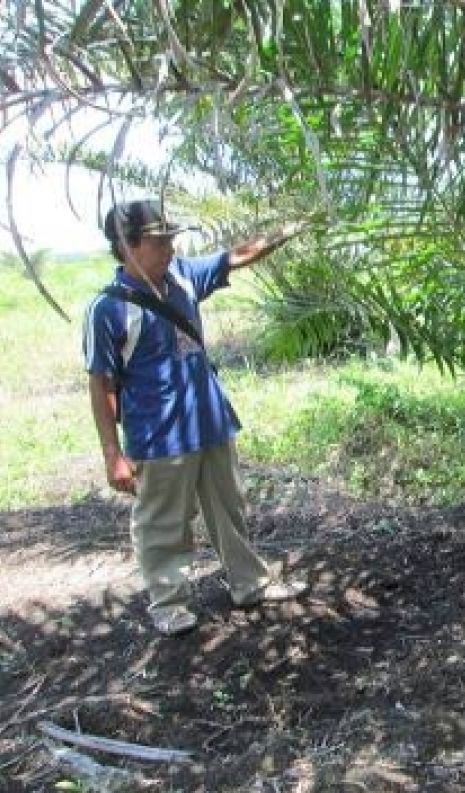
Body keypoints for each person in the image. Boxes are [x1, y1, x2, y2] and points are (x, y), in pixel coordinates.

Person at [84, 199, 309, 636]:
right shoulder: (108, 309)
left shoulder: (183, 278)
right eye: (158, 241)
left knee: (230, 509)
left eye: (171, 239)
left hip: (209, 421)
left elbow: (236, 256)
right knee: (163, 520)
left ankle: (251, 583)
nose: (170, 248)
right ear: (127, 247)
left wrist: (291, 225)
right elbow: (102, 384)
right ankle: (168, 603)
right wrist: (112, 454)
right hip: (159, 435)